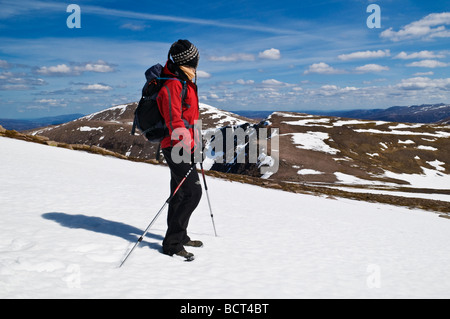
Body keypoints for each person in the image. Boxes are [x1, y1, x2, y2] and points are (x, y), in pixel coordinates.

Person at [157, 39, 203, 261]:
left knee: (180, 193)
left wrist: (195, 142)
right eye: (195, 58)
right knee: (192, 193)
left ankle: (180, 235)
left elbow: (190, 118)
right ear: (189, 60)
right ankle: (172, 244)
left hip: (184, 144)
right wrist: (191, 148)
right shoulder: (173, 85)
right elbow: (175, 121)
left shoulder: (185, 81)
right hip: (176, 146)